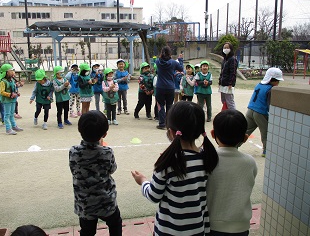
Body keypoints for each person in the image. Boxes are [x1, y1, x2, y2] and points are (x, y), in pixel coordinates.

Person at [131, 101, 219, 235]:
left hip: (168, 231)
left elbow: (154, 196)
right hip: (197, 229)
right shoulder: (208, 158)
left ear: (171, 132)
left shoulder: (166, 163)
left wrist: (142, 181)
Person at [69, 110, 122, 236]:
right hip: (106, 202)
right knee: (115, 224)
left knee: (87, 231)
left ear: (80, 131)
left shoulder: (74, 152)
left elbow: (74, 170)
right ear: (105, 134)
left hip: (84, 204)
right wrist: (102, 147)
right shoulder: (107, 152)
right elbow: (112, 169)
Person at [207, 109, 257, 235]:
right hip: (240, 227)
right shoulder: (250, 162)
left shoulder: (206, 159)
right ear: (245, 138)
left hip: (209, 225)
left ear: (213, 134)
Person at [245, 67, 284, 157]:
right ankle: (266, 151)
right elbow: (270, 105)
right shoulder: (270, 89)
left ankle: (234, 145)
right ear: (271, 80)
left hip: (250, 110)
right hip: (260, 113)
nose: (278, 83)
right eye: (277, 81)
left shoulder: (259, 85)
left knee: (245, 130)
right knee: (266, 132)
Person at [155, 46, 183, 129]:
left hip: (160, 87)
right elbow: (181, 69)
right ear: (170, 53)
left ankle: (162, 123)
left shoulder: (157, 62)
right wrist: (180, 60)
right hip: (170, 87)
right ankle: (169, 124)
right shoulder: (174, 62)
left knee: (160, 105)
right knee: (169, 105)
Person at [0, 64, 23, 135]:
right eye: (11, 71)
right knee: (7, 114)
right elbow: (2, 92)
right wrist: (10, 95)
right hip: (7, 100)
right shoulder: (2, 82)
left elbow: (14, 88)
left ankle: (14, 126)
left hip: (13, 100)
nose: (13, 72)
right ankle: (8, 129)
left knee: (12, 113)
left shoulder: (11, 80)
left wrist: (17, 92)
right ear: (6, 72)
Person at [218, 42, 238, 110]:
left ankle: (234, 115)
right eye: (224, 47)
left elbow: (233, 72)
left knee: (230, 102)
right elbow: (222, 72)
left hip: (228, 84)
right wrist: (220, 82)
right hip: (223, 83)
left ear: (231, 49)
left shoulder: (233, 59)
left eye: (227, 47)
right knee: (223, 101)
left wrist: (231, 83)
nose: (225, 49)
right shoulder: (224, 60)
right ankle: (226, 113)